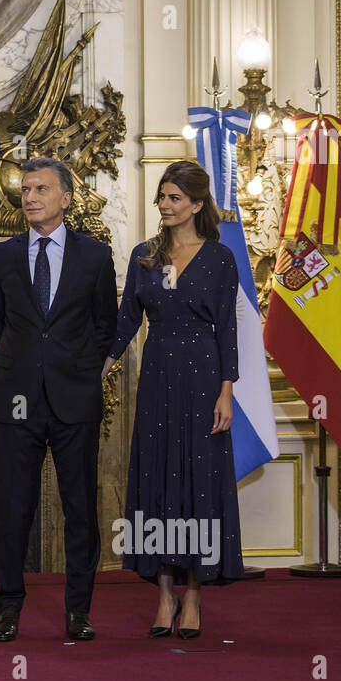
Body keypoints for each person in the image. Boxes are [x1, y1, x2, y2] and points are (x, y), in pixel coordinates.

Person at [102, 160, 244, 639]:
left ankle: (194, 597)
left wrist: (227, 390)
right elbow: (125, 323)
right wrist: (96, 368)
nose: (164, 205)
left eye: (174, 198)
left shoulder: (220, 259)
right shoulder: (145, 254)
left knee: (199, 483)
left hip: (205, 378)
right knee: (159, 481)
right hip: (157, 377)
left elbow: (227, 327)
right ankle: (164, 596)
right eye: (161, 197)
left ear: (197, 205)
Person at [0, 157, 117, 642]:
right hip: (16, 403)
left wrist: (76, 373)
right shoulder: (0, 256)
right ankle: (8, 608)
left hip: (75, 402)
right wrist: (22, 371)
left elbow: (106, 327)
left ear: (66, 198)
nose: (30, 197)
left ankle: (78, 610)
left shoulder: (96, 257)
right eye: (25, 190)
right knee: (14, 507)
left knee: (80, 509)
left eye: (41, 189)